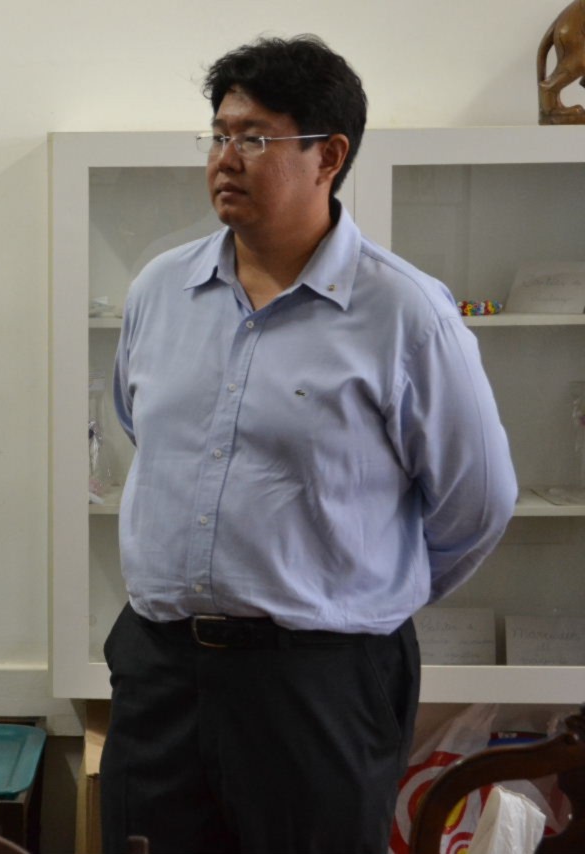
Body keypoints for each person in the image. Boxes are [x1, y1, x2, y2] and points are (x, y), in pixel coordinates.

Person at [101, 36, 517, 854]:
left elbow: (478, 503)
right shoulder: (160, 289)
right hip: (162, 670)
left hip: (318, 682)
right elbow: (138, 426)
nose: (226, 158)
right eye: (219, 135)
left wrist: (357, 596)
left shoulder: (406, 313)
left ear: (329, 155)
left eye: (255, 137)